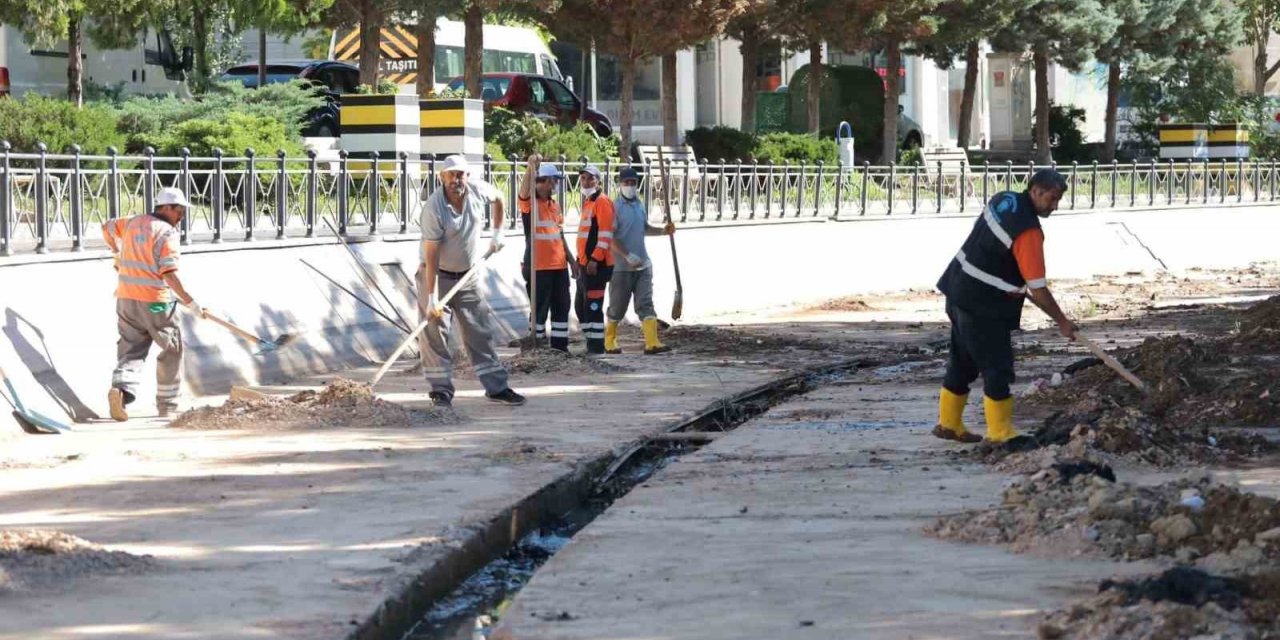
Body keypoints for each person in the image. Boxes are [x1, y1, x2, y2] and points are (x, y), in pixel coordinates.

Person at [933, 169, 1079, 446]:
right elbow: (1038, 286)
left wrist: (1010, 283)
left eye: (1058, 200)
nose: (1055, 206)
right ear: (1035, 190)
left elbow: (991, 249)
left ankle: (949, 423)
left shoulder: (1004, 200)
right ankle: (1000, 433)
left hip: (957, 289)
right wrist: (1061, 321)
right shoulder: (1029, 231)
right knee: (997, 367)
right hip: (982, 305)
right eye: (1052, 199)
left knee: (963, 361)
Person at [418, 154, 525, 407]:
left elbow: (499, 199)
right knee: (434, 332)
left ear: (467, 175)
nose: (456, 179)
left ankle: (496, 387)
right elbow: (431, 254)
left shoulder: (477, 190)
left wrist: (497, 234)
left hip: (467, 275)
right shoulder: (433, 209)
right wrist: (432, 298)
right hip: (435, 275)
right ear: (441, 177)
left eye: (461, 174)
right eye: (451, 174)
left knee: (479, 330)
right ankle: (440, 390)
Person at [102, 187, 203, 421]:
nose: (182, 217)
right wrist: (191, 302)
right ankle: (167, 406)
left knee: (131, 347)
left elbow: (106, 227)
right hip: (156, 304)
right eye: (180, 211)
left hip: (126, 300)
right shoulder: (166, 233)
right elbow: (168, 272)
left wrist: (116, 253)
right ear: (166, 208)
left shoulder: (132, 222)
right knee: (171, 348)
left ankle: (121, 391)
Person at [605, 166, 675, 355]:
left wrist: (663, 231)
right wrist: (627, 255)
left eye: (633, 183)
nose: (630, 186)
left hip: (643, 265)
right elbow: (610, 238)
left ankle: (652, 342)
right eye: (626, 182)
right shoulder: (614, 207)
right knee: (617, 307)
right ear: (619, 184)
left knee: (645, 303)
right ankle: (610, 341)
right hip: (621, 267)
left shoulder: (639, 204)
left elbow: (644, 228)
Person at [517, 155, 578, 351]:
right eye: (553, 180)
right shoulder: (531, 205)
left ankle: (560, 348)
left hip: (558, 266)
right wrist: (530, 168)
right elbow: (523, 193)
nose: (556, 184)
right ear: (542, 182)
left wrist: (571, 260)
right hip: (538, 266)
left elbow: (559, 235)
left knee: (562, 307)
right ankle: (537, 347)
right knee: (539, 310)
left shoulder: (555, 205)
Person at [574, 164, 616, 355]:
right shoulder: (588, 201)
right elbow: (585, 235)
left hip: (597, 266)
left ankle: (596, 347)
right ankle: (590, 340)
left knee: (593, 306)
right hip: (584, 263)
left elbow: (605, 234)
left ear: (598, 180)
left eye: (590, 178)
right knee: (581, 306)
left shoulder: (602, 202)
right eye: (583, 178)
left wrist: (594, 259)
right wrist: (578, 259)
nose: (586, 181)